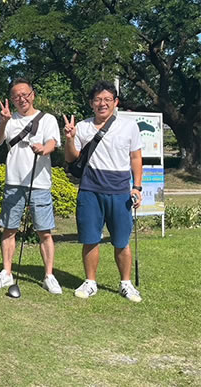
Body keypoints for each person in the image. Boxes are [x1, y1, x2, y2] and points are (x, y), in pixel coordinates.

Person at [64, 80, 143, 302]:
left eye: (108, 99)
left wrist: (137, 187)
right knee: (90, 239)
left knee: (121, 240)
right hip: (90, 189)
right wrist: (70, 139)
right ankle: (90, 282)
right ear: (91, 103)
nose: (102, 103)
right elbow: (71, 158)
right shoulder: (82, 126)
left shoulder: (129, 126)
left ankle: (126, 284)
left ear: (116, 102)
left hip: (120, 191)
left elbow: (136, 157)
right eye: (98, 99)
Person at [0, 78, 63, 294]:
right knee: (9, 229)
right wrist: (3, 121)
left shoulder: (47, 119)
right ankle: (6, 272)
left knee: (44, 231)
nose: (21, 99)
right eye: (16, 96)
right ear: (11, 99)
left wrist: (44, 149)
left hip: (39, 182)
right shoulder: (9, 119)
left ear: (33, 95)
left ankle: (49, 275)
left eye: (25, 94)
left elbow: (53, 142)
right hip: (14, 182)